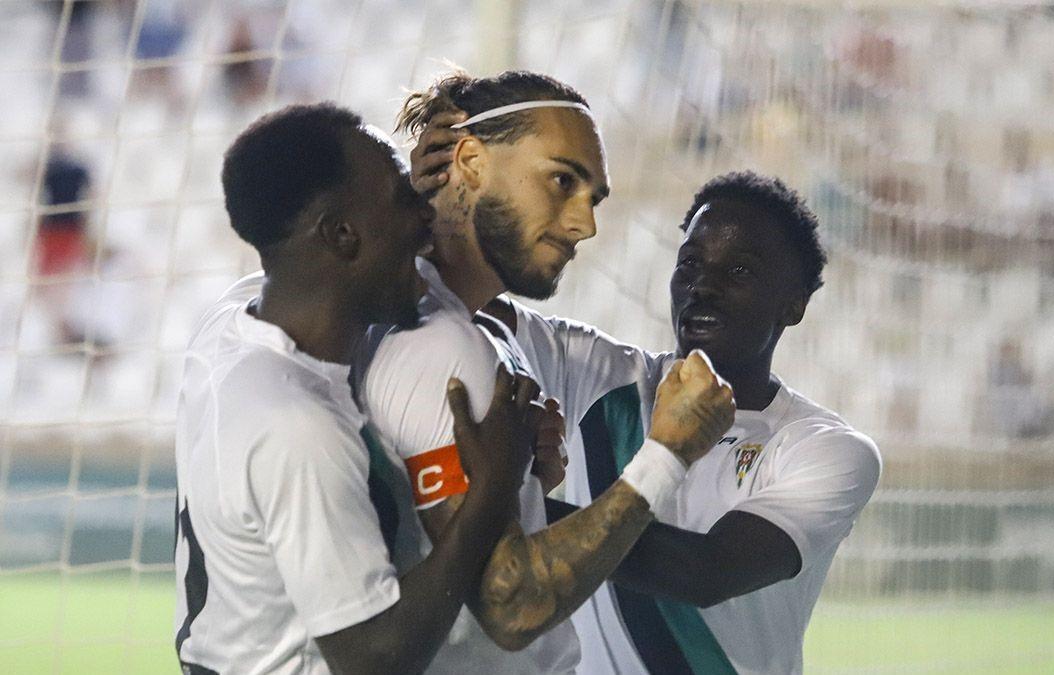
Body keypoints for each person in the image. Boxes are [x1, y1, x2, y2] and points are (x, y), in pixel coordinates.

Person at [357, 70, 736, 674]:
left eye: (593, 198)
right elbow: (510, 606)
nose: (584, 224)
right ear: (471, 161)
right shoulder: (439, 343)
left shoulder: (436, 318)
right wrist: (667, 453)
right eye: (562, 180)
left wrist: (526, 488)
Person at [173, 102, 535, 675]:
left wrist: (393, 197)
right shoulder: (297, 425)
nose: (427, 217)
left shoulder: (230, 324)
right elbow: (373, 658)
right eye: (403, 200)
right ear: (342, 235)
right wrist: (493, 490)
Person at [480, 171, 883, 674]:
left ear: (793, 304)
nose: (703, 287)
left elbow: (704, 573)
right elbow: (458, 299)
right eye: (690, 264)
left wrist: (491, 507)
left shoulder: (824, 448)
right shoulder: (595, 373)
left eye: (739, 271)